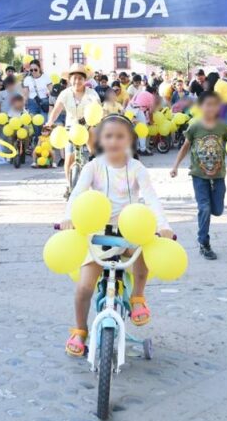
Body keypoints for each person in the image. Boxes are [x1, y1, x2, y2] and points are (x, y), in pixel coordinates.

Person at [60, 114, 174, 357]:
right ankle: (80, 330)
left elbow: (151, 198)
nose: (114, 141)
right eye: (108, 136)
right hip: (99, 233)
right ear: (100, 139)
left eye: (120, 136)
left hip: (131, 228)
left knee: (143, 252)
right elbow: (77, 193)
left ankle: (137, 297)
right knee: (84, 287)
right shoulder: (93, 167)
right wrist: (68, 217)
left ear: (129, 140)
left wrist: (163, 226)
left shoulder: (136, 168)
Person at [170, 91, 227, 260]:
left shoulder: (222, 126)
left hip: (218, 175)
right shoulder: (195, 126)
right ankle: (204, 243)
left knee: (217, 210)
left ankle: (208, 220)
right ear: (201, 107)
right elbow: (185, 147)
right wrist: (175, 166)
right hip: (199, 174)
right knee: (205, 207)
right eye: (207, 105)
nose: (210, 108)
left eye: (214, 105)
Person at [46, 63, 101, 194]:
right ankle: (68, 185)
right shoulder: (65, 94)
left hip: (87, 125)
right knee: (69, 156)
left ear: (84, 80)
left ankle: (97, 179)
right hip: (71, 127)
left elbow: (97, 104)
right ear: (70, 79)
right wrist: (50, 122)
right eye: (74, 78)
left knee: (94, 152)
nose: (77, 81)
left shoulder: (91, 93)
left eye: (80, 78)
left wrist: (97, 111)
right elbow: (56, 109)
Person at [126, 83, 158, 155]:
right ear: (153, 92)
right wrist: (151, 122)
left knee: (134, 130)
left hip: (129, 109)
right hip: (138, 109)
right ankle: (143, 149)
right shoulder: (152, 97)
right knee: (142, 130)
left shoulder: (140, 92)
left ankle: (136, 148)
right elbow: (151, 112)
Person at [22, 59, 51, 132]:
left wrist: (51, 101)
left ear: (39, 68)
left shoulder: (46, 77)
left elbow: (51, 91)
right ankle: (37, 137)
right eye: (31, 70)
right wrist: (23, 106)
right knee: (35, 123)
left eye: (35, 69)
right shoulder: (27, 79)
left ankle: (44, 137)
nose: (33, 72)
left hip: (44, 102)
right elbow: (25, 94)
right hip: (32, 103)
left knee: (44, 122)